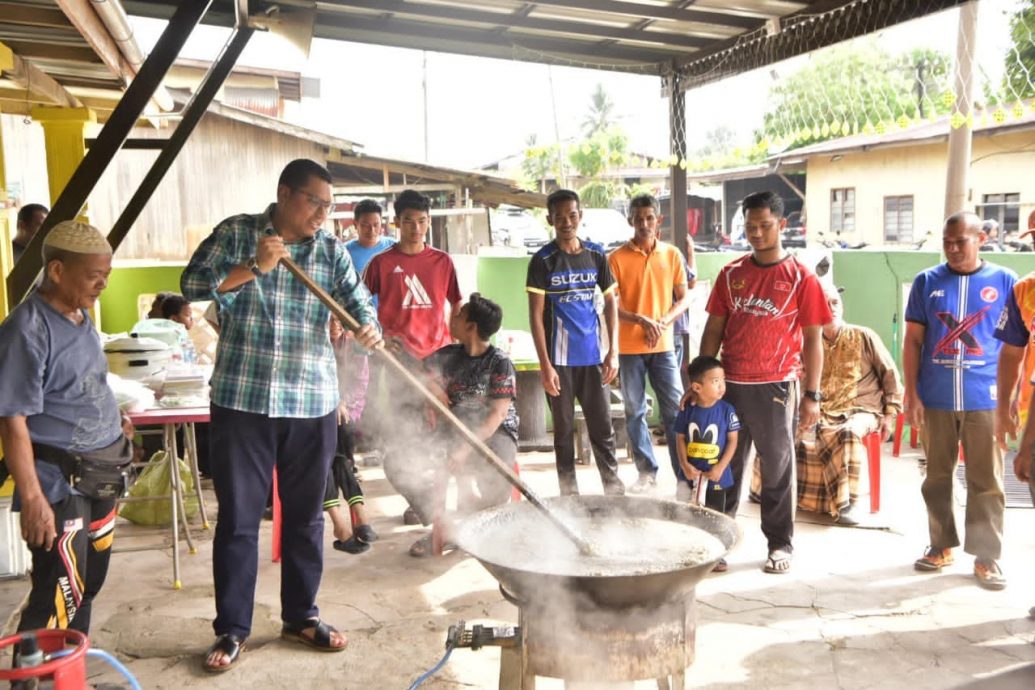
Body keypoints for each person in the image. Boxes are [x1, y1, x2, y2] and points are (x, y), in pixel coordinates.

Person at [181, 158, 382, 671]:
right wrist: (254, 267)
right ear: (285, 193)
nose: (321, 213)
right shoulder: (237, 233)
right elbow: (193, 286)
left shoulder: (331, 251)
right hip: (242, 400)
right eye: (314, 202)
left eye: (328, 206)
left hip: (310, 402)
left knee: (306, 518)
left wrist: (367, 326)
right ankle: (232, 629)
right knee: (239, 521)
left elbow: (359, 302)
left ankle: (301, 616)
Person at [0, 221, 134, 652]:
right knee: (56, 592)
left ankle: (69, 677)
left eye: (107, 274)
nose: (102, 284)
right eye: (94, 274)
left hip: (101, 473)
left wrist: (113, 420)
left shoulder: (80, 315)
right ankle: (28, 678)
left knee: (85, 587)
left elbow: (84, 383)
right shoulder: (27, 328)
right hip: (59, 484)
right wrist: (33, 497)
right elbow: (12, 420)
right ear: (57, 270)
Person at [693, 190, 830, 574]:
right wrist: (704, 379)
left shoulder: (801, 277)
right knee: (724, 466)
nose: (756, 233)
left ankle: (779, 544)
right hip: (729, 387)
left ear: (782, 225)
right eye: (750, 226)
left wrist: (813, 396)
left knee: (777, 468)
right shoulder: (731, 274)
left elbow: (813, 341)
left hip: (776, 387)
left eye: (764, 226)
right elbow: (714, 330)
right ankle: (717, 542)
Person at [904, 211, 1015, 590]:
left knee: (987, 479)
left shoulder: (1005, 282)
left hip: (986, 396)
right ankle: (940, 545)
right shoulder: (926, 282)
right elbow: (913, 341)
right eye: (947, 243)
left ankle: (987, 556)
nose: (952, 249)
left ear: (981, 238)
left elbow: (1019, 344)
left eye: (960, 242)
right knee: (936, 476)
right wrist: (911, 392)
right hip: (936, 396)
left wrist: (1012, 398)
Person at [752, 285, 902, 525]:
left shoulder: (864, 335)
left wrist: (890, 413)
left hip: (861, 408)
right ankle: (768, 490)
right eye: (825, 303)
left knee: (848, 433)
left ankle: (846, 504)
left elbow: (891, 376)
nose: (831, 308)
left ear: (842, 306)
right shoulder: (806, 341)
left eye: (835, 302)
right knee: (783, 429)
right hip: (819, 407)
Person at [364, 189, 462, 525]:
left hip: (438, 360)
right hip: (398, 362)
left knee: (441, 434)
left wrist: (458, 346)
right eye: (408, 222)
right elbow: (360, 307)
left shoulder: (442, 262)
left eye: (421, 221)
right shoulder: (381, 263)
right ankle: (420, 501)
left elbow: (458, 306)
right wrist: (379, 337)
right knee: (405, 433)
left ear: (428, 223)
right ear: (397, 223)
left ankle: (437, 504)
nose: (416, 228)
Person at [526, 189, 624, 496]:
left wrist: (613, 353)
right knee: (564, 435)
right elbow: (535, 316)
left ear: (580, 216)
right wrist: (545, 366)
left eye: (572, 215)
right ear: (550, 219)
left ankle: (614, 491)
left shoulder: (596, 255)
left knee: (602, 430)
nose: (566, 222)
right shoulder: (543, 260)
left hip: (594, 358)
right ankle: (569, 497)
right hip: (559, 363)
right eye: (559, 216)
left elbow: (611, 305)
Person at [407, 293, 519, 557]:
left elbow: (496, 417)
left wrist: (464, 451)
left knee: (499, 471)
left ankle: (473, 526)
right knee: (398, 461)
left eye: (460, 315)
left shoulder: (499, 363)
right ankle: (441, 523)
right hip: (454, 431)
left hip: (493, 434)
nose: (453, 318)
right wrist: (432, 388)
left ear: (471, 327)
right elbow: (419, 372)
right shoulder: (448, 355)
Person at [607, 194, 690, 495]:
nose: (644, 224)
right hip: (629, 349)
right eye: (638, 218)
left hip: (664, 346)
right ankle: (646, 473)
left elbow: (684, 297)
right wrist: (641, 319)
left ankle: (685, 476)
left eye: (649, 218)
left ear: (659, 220)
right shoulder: (614, 259)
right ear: (630, 220)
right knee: (635, 411)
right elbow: (609, 306)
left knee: (675, 411)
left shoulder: (672, 255)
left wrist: (663, 321)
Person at [674, 356, 740, 571]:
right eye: (715, 381)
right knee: (685, 512)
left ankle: (716, 554)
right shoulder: (687, 410)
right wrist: (684, 464)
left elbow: (732, 440)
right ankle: (687, 550)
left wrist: (720, 467)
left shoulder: (727, 410)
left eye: (723, 380)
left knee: (715, 514)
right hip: (690, 475)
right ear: (696, 387)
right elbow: (680, 437)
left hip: (716, 476)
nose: (721, 386)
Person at [324, 317, 378, 555]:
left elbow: (360, 383)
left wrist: (342, 403)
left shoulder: (355, 344)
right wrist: (331, 403)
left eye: (338, 318)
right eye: (327, 319)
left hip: (346, 412)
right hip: (313, 412)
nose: (334, 325)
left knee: (337, 451)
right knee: (324, 455)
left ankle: (347, 521)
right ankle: (354, 517)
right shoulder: (311, 342)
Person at [344, 199, 396, 276]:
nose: (372, 230)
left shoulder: (394, 247)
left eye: (376, 225)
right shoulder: (344, 252)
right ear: (355, 224)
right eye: (365, 225)